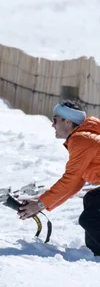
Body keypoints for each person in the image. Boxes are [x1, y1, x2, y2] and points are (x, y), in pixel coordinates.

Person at [18, 100, 100, 255]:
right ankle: (95, 253)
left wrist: (40, 204)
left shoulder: (81, 140)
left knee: (89, 219)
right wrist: (42, 204)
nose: (52, 125)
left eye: (55, 119)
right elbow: (75, 183)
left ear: (67, 121)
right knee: (92, 200)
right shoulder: (85, 137)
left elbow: (69, 180)